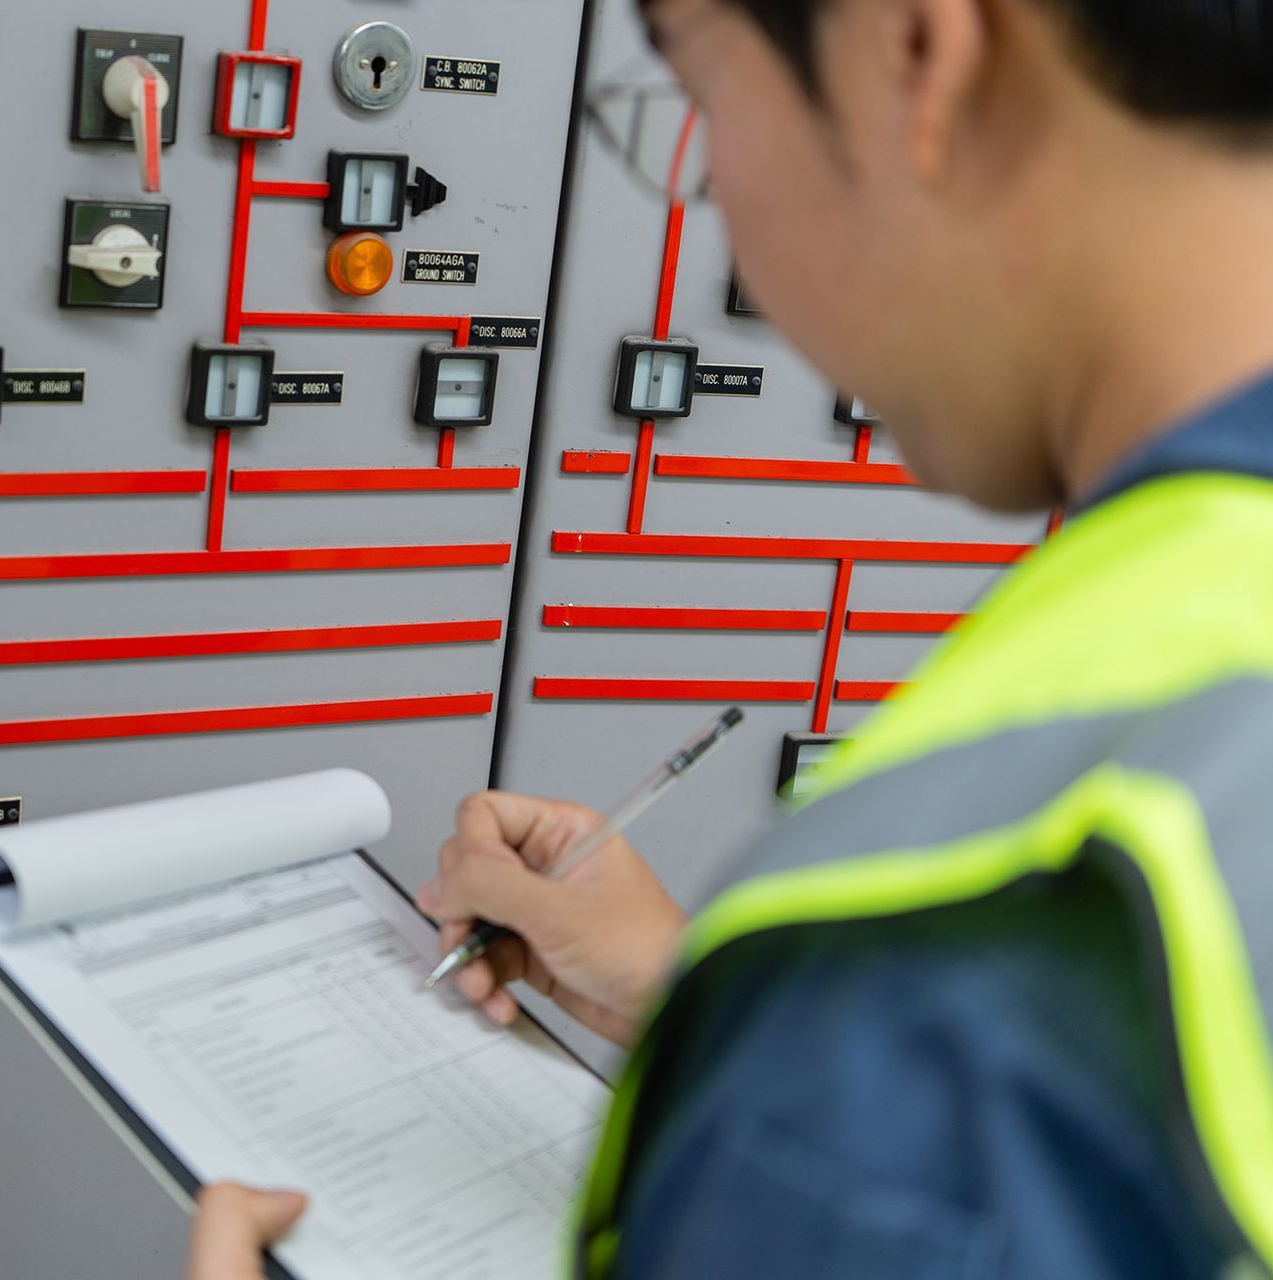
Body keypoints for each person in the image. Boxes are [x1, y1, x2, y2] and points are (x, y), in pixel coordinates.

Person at [186, 0, 1273, 1273]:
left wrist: (802, 1046)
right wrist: (696, 991)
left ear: (915, 51)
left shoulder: (927, 967)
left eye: (703, 112)